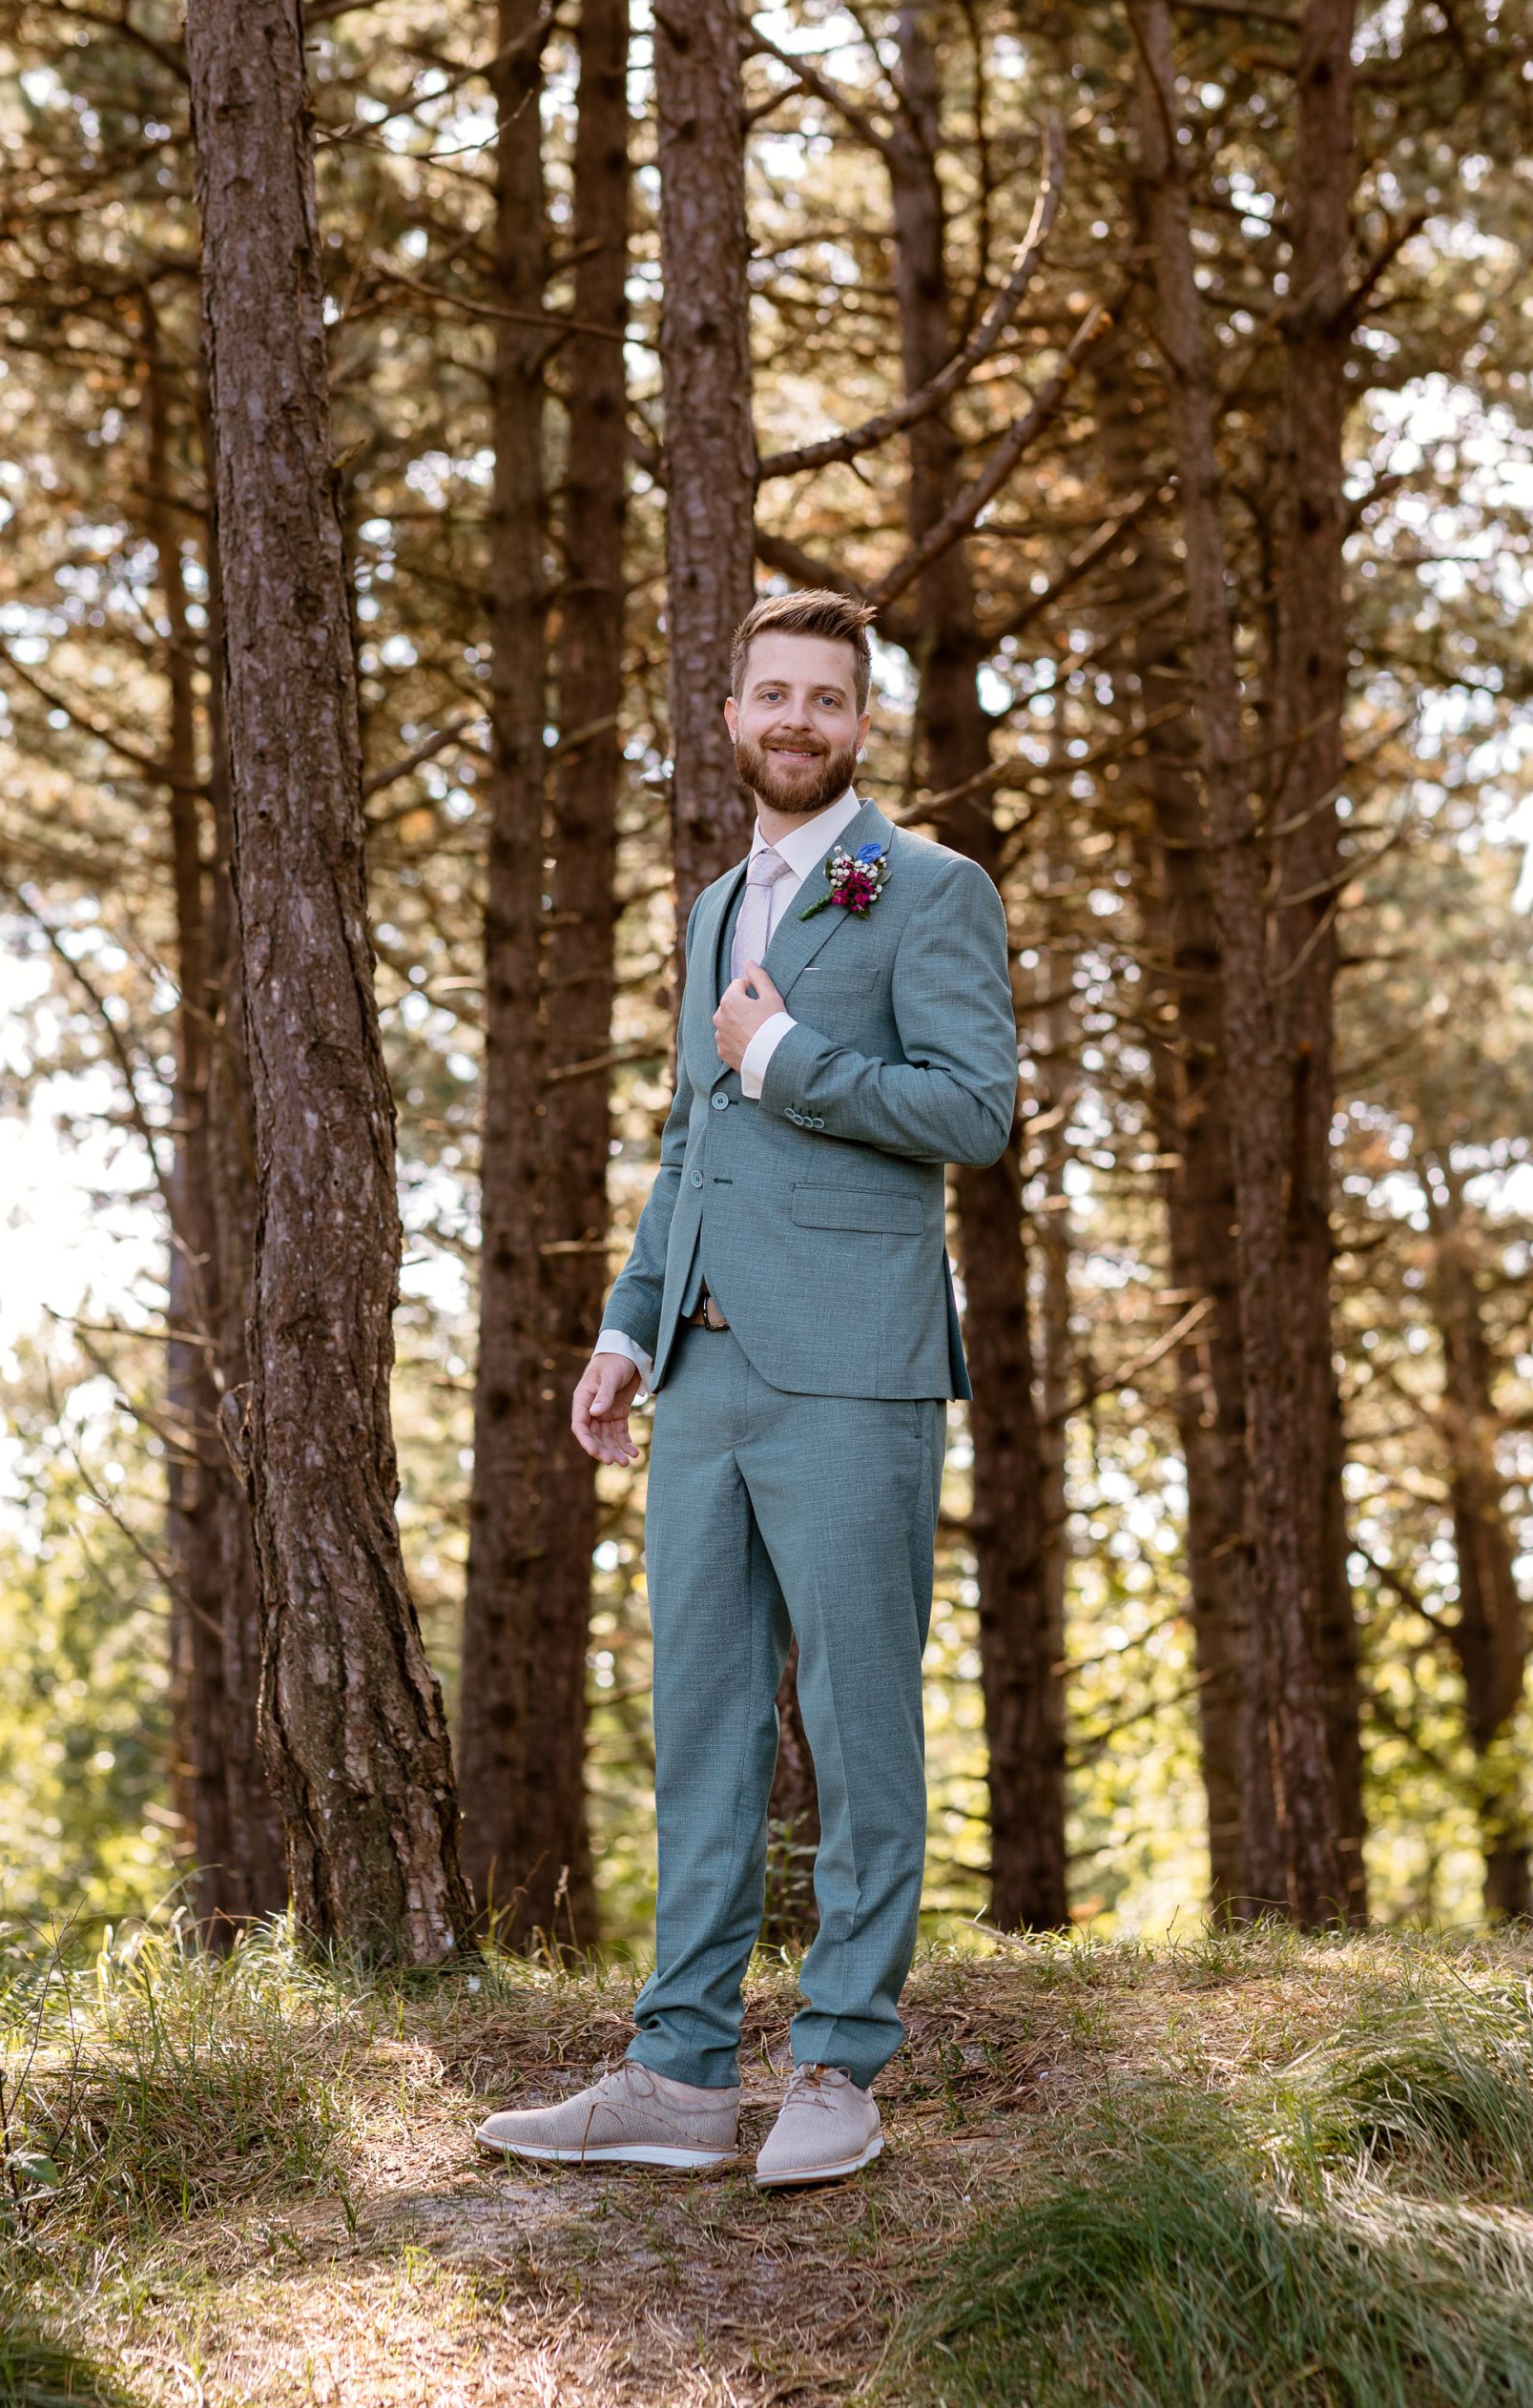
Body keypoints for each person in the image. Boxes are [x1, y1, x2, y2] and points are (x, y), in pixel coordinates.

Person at [476, 588, 1018, 2188]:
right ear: (730, 717)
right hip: (703, 1375)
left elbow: (977, 1109)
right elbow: (688, 1140)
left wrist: (797, 1064)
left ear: (862, 724)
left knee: (858, 1720)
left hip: (857, 1367)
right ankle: (679, 2070)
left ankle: (843, 2063)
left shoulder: (927, 888)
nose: (797, 721)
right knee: (704, 1722)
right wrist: (630, 1327)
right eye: (771, 694)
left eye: (827, 700)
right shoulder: (719, 905)